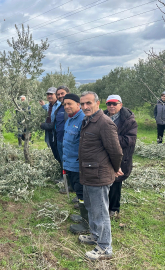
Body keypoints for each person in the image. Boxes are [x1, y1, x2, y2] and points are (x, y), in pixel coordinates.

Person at [77, 91, 123, 261]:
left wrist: (115, 168)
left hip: (99, 175)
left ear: (97, 103)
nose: (85, 107)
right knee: (91, 207)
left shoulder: (104, 123)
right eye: (82, 104)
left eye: (88, 103)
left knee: (101, 211)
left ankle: (105, 247)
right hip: (88, 173)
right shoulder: (88, 120)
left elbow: (116, 152)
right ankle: (96, 236)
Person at [104, 95, 137, 218]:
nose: (111, 106)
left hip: (120, 157)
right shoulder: (103, 117)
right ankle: (104, 206)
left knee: (116, 183)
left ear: (121, 105)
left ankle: (114, 209)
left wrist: (110, 139)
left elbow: (130, 140)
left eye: (114, 104)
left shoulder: (129, 121)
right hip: (104, 155)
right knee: (104, 181)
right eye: (109, 104)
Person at [59, 94, 87, 234]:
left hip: (78, 166)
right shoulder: (70, 120)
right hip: (69, 164)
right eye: (65, 104)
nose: (67, 107)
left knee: (82, 193)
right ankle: (83, 217)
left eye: (70, 104)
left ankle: (87, 225)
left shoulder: (83, 120)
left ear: (78, 104)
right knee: (79, 192)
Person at [39, 87, 61, 180]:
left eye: (51, 94)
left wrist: (42, 125)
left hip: (57, 134)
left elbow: (55, 122)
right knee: (55, 154)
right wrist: (43, 105)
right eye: (48, 94)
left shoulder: (59, 106)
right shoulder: (49, 105)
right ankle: (63, 173)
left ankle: (65, 176)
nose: (49, 96)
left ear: (56, 95)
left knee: (60, 155)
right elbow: (47, 110)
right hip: (50, 134)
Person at [54, 86, 70, 189]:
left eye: (62, 93)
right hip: (59, 139)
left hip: (68, 140)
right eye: (58, 94)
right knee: (62, 160)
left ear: (68, 93)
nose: (60, 96)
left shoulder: (71, 107)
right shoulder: (60, 107)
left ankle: (70, 184)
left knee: (69, 161)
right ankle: (63, 178)